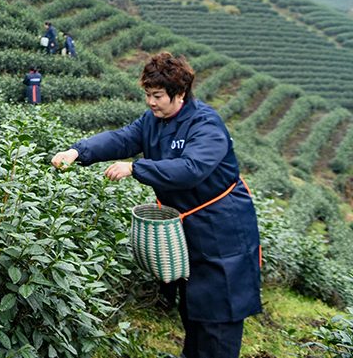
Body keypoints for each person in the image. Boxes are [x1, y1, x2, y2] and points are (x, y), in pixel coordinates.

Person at [50, 52, 261, 358]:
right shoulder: (154, 120)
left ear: (180, 94)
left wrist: (136, 168)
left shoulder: (205, 124)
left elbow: (191, 169)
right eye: (148, 95)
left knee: (219, 317)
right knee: (195, 310)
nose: (151, 102)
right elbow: (122, 139)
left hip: (222, 231)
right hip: (188, 229)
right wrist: (77, 152)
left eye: (158, 96)